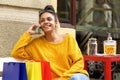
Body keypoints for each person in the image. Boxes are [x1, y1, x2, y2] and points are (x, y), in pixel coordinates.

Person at [11, 5, 89, 80]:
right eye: (42, 20)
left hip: (72, 77)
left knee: (77, 78)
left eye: (49, 19)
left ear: (56, 22)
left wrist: (63, 78)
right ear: (40, 25)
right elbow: (16, 53)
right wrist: (28, 33)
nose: (46, 22)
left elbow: (79, 62)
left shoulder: (68, 39)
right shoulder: (35, 44)